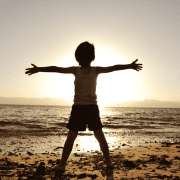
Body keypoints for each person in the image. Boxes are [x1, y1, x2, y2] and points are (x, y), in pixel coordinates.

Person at [25, 41, 143, 173]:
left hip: (80, 108)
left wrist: (39, 69)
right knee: (98, 136)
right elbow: (113, 67)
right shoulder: (93, 70)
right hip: (90, 108)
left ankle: (63, 164)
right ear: (93, 57)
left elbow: (56, 69)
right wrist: (130, 66)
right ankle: (108, 163)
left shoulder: (77, 70)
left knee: (73, 137)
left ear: (77, 58)